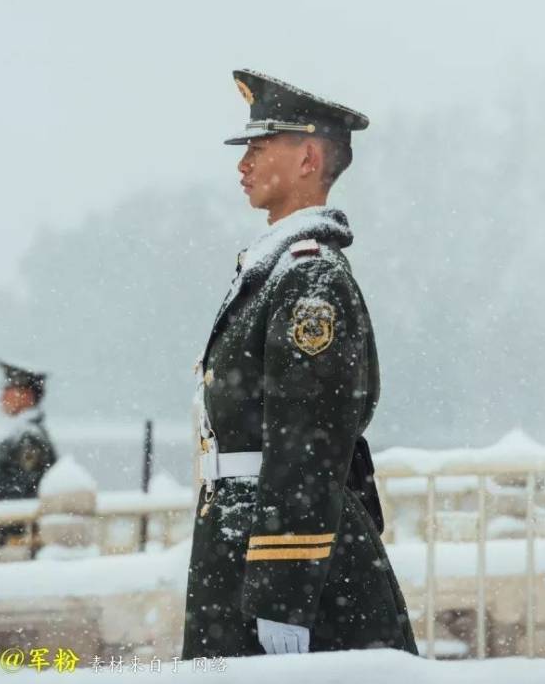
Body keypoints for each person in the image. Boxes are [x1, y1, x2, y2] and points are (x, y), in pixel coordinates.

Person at [181, 69, 418, 658]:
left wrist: (282, 597)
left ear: (308, 157)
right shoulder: (276, 272)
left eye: (259, 148)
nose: (243, 165)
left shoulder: (308, 276)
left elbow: (307, 444)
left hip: (279, 556)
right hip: (245, 538)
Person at [0, 359, 57, 549]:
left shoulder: (28, 437)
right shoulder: (21, 433)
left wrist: (13, 536)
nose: (2, 396)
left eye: (9, 389)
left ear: (26, 395)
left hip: (23, 539)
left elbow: (25, 489)